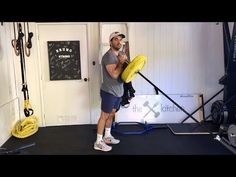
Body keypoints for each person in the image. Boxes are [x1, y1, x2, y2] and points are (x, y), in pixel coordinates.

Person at [94, 31, 128, 152]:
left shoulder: (122, 54)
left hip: (118, 91)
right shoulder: (108, 56)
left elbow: (126, 73)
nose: (119, 41)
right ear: (110, 42)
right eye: (116, 39)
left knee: (112, 115)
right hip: (109, 91)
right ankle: (98, 142)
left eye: (120, 39)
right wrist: (121, 62)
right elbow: (114, 74)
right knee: (104, 116)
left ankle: (107, 136)